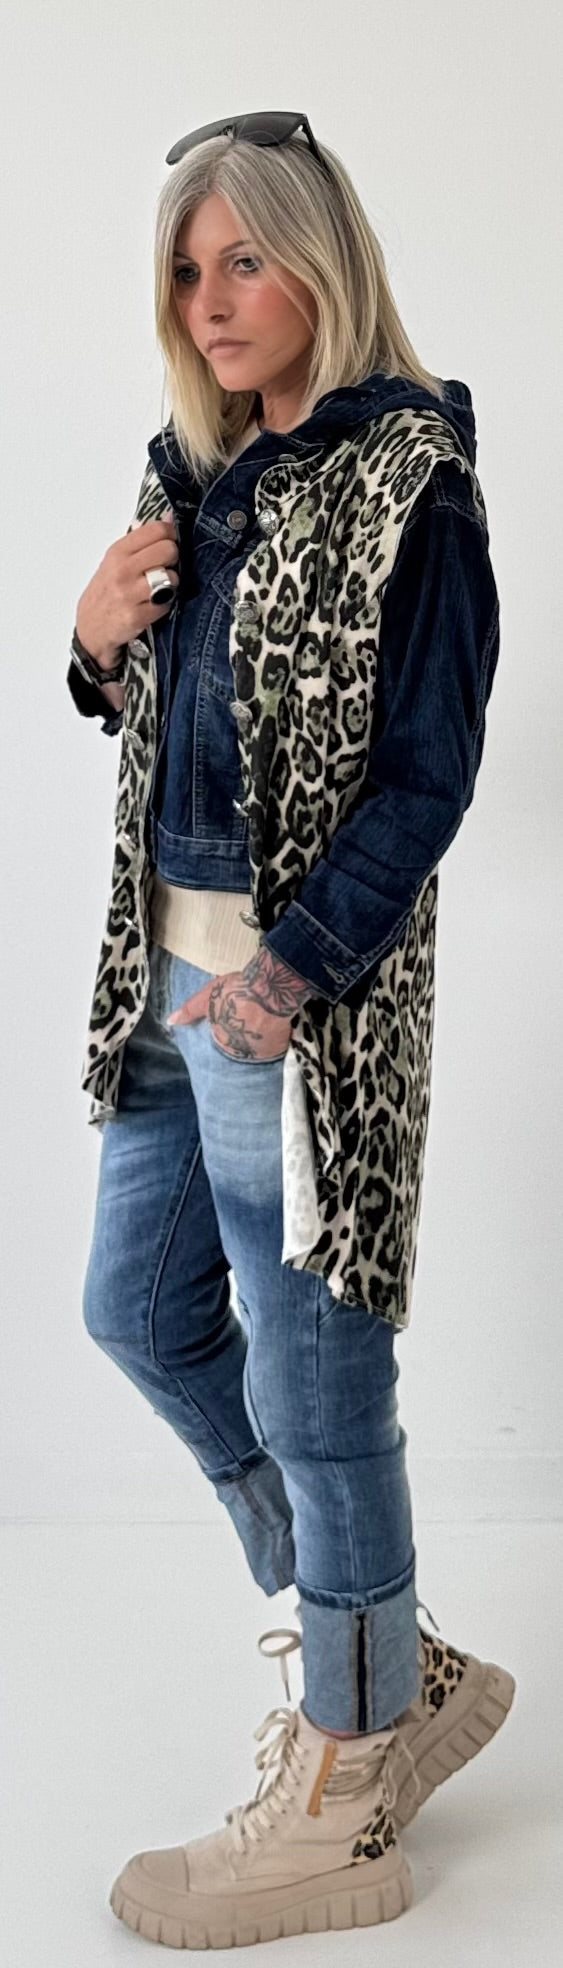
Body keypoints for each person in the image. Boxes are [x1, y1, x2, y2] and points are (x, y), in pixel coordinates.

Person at [67, 112, 515, 1949]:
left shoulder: (414, 476)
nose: (212, 298)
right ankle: (387, 1654)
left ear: (321, 257)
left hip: (301, 1011)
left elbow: (428, 776)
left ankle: (344, 1791)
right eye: (190, 268)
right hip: (161, 988)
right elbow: (167, 724)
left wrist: (286, 979)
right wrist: (93, 641)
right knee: (139, 1312)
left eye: (246, 257)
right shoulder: (195, 466)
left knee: (317, 1392)